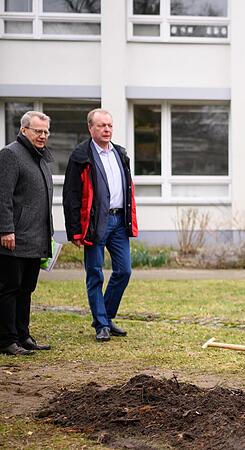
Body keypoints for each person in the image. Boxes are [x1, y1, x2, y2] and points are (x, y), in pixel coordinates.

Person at [63, 109, 137, 342]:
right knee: (95, 273)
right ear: (90, 128)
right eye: (102, 126)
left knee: (124, 271)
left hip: (118, 221)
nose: (107, 130)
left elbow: (127, 188)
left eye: (110, 126)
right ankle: (102, 325)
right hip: (95, 223)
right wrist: (74, 230)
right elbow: (71, 195)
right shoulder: (80, 156)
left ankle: (104, 317)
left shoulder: (120, 153)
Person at [0, 111, 54, 355]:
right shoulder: (11, 154)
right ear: (24, 131)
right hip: (14, 237)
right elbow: (3, 196)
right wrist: (5, 229)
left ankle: (23, 336)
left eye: (45, 132)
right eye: (38, 131)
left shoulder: (40, 157)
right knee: (9, 288)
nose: (42, 136)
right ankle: (6, 340)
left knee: (26, 289)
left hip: (35, 237)